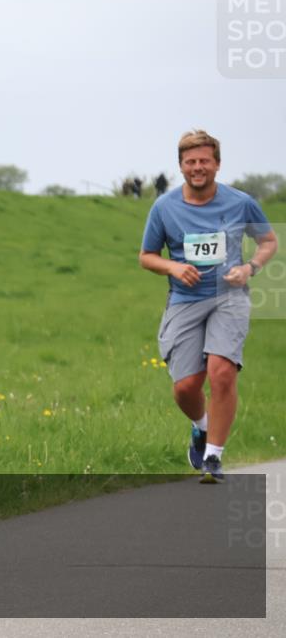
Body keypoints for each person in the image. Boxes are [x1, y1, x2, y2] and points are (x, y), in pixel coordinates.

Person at [139, 130, 277, 483]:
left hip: (229, 297)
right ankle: (201, 427)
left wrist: (250, 268)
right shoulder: (164, 207)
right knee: (186, 387)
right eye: (190, 162)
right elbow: (147, 256)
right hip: (185, 300)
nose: (197, 167)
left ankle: (213, 457)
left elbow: (268, 240)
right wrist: (173, 266)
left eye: (204, 161)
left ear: (217, 163)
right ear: (181, 166)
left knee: (221, 371)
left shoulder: (240, 202)